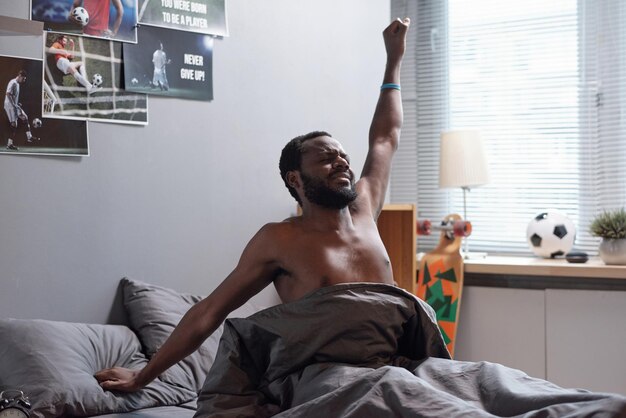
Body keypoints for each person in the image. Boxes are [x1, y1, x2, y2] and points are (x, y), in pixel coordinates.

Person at [95, 17, 411, 392]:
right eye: (327, 158)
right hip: (329, 382)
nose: (342, 162)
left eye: (343, 155)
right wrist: (143, 376)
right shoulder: (279, 240)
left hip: (396, 369)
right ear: (296, 179)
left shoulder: (365, 206)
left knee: (492, 387)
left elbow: (385, 138)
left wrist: (393, 60)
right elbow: (209, 312)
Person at [4, 70, 38, 151]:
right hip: (9, 106)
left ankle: (29, 137)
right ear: (19, 75)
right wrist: (14, 105)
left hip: (15, 105)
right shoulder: (12, 82)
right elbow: (8, 94)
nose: (24, 80)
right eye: (23, 78)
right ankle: (9, 144)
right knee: (14, 124)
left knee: (25, 117)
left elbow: (13, 95)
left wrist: (17, 103)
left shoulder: (18, 84)